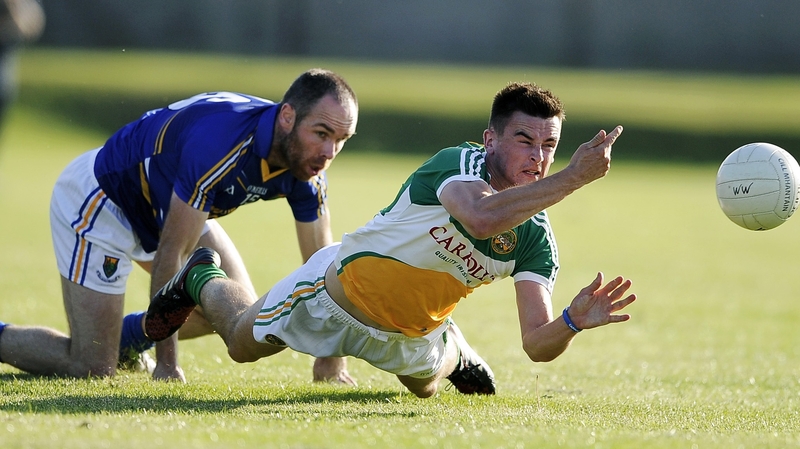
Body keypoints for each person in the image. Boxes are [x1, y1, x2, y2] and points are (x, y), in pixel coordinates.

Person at [143, 81, 637, 397]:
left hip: (412, 335)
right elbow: (479, 218)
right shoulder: (459, 164)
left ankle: (455, 352)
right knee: (239, 344)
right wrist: (573, 178)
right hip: (331, 295)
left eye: (549, 145)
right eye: (524, 140)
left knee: (424, 388)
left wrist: (571, 322)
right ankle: (201, 276)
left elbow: (535, 344)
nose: (539, 157)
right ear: (491, 140)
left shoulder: (537, 240)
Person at [0, 68, 359, 384]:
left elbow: (320, 268)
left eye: (341, 141)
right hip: (107, 199)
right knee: (92, 367)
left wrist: (331, 356)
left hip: (174, 208)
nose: (329, 153)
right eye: (321, 134)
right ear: (287, 117)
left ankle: (124, 340)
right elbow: (171, 253)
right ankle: (96, 347)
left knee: (240, 317)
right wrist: (167, 363)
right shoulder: (221, 143)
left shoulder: (308, 171)